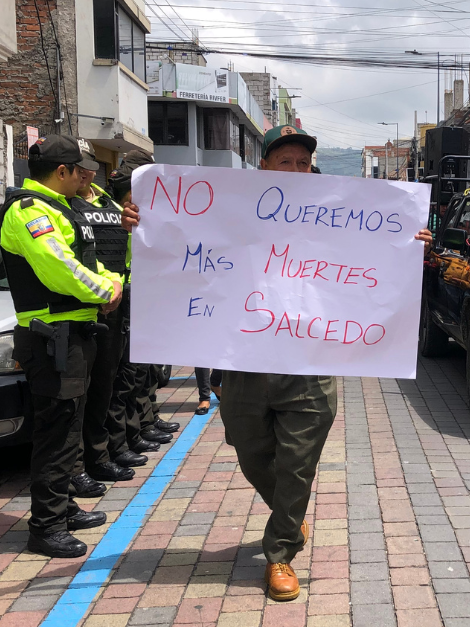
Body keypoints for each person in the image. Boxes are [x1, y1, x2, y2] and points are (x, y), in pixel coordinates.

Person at [120, 125, 433, 602]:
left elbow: (379, 260)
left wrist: (411, 246)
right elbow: (177, 251)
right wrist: (144, 228)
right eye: (284, 161)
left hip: (310, 366)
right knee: (249, 452)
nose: (294, 170)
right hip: (246, 364)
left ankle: (280, 553)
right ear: (263, 166)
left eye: (302, 163)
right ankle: (288, 514)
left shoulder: (343, 213)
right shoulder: (233, 209)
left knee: (297, 466)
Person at [0, 135, 123, 558]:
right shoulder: (29, 211)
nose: (86, 179)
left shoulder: (61, 209)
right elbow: (60, 270)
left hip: (74, 335)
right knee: (57, 433)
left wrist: (111, 280)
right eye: (78, 170)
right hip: (53, 338)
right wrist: (106, 290)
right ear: (62, 171)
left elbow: (90, 261)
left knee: (70, 427)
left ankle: (63, 506)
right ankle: (46, 526)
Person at [67, 139, 146, 498]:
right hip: (81, 309)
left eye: (90, 165)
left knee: (109, 384)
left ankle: (101, 454)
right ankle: (83, 464)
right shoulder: (54, 208)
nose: (88, 172)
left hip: (112, 301)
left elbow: (121, 247)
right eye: (79, 166)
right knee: (81, 396)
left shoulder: (107, 203)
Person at [105, 150, 180, 459]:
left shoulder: (147, 211)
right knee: (129, 376)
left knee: (146, 370)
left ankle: (145, 422)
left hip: (146, 294)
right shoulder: (114, 216)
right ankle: (129, 435)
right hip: (126, 298)